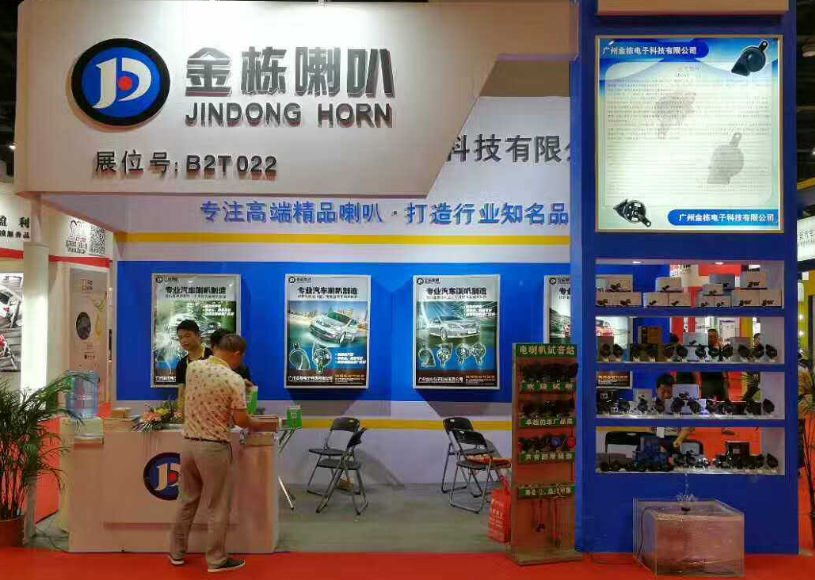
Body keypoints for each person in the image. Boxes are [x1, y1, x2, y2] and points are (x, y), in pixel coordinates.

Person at [170, 334, 262, 573]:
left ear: (215, 348)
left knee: (186, 500)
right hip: (213, 448)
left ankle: (176, 553)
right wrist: (261, 424)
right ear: (238, 354)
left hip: (189, 444)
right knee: (218, 505)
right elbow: (241, 420)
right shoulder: (233, 379)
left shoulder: (194, 368)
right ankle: (216, 559)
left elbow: (206, 393)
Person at [654, 373, 694, 450]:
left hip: (674, 438)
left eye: (669, 392)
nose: (666, 395)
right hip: (655, 438)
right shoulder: (650, 404)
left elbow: (687, 426)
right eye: (663, 392)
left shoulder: (681, 404)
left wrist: (680, 439)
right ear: (657, 390)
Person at [175, 320, 213, 386]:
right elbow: (182, 390)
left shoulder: (212, 355)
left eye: (187, 336)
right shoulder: (181, 364)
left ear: (198, 335)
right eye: (180, 337)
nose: (184, 340)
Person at [700, 329, 729, 400]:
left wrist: (727, 378)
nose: (712, 339)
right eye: (710, 337)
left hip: (720, 380)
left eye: (714, 337)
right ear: (706, 337)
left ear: (717, 337)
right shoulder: (702, 349)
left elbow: (725, 364)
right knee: (707, 403)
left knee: (724, 403)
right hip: (707, 380)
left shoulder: (721, 348)